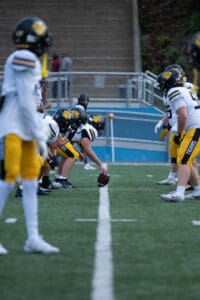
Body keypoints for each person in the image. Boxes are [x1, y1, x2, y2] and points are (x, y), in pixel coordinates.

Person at [0, 16, 60, 254]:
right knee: (8, 178)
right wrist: (38, 133)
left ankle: (33, 237)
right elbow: (25, 101)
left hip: (22, 128)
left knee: (29, 181)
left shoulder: (25, 58)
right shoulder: (23, 58)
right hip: (14, 126)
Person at [156, 68, 200, 202]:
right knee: (187, 160)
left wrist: (179, 132)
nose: (161, 85)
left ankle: (179, 193)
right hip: (194, 127)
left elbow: (183, 114)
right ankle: (198, 191)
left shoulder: (173, 91)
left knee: (184, 160)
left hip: (195, 128)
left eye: (162, 82)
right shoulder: (184, 89)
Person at [54, 109, 108, 188]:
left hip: (58, 138)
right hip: (57, 140)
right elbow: (88, 150)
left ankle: (59, 178)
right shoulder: (89, 129)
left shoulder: (81, 128)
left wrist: (79, 153)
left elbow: (69, 144)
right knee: (73, 155)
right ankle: (62, 179)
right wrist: (100, 164)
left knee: (68, 154)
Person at [73, 92, 96, 170]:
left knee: (83, 148)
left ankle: (86, 164)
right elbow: (82, 119)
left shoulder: (77, 107)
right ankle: (86, 164)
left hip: (74, 131)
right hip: (75, 132)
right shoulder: (80, 108)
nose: (86, 102)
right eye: (85, 101)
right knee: (85, 148)